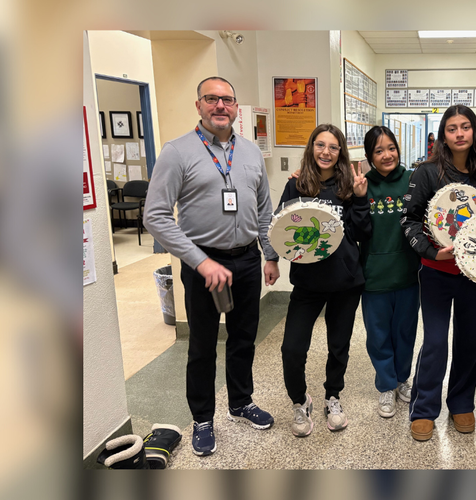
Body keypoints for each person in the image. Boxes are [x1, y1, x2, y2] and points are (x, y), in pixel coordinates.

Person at [144, 76, 280, 456]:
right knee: (203, 345)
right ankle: (203, 418)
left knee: (243, 338)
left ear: (237, 107)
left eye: (228, 100)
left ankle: (241, 402)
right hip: (203, 261)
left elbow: (264, 209)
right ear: (199, 105)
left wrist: (269, 254)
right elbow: (155, 216)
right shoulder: (178, 152)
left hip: (248, 261)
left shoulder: (251, 152)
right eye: (212, 99)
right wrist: (201, 262)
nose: (221, 106)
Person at [401, 105, 476, 441]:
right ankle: (424, 407)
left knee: (471, 340)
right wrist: (431, 250)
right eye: (452, 128)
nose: (459, 134)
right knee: (436, 341)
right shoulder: (426, 173)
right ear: (443, 135)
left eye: (465, 127)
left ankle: (462, 403)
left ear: (474, 131)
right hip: (436, 271)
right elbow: (408, 220)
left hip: (474, 275)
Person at [276, 124, 371, 437]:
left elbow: (361, 233)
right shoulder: (296, 185)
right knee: (291, 349)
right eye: (320, 145)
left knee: (338, 346)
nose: (326, 152)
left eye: (333, 147)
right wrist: (273, 257)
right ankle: (300, 401)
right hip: (307, 282)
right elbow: (281, 227)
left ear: (340, 151)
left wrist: (359, 199)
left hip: (345, 282)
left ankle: (333, 396)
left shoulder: (348, 185)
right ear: (311, 148)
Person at [359, 126, 420, 419]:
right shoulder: (362, 185)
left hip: (409, 273)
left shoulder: (412, 180)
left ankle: (401, 379)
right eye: (379, 150)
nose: (387, 155)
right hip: (374, 276)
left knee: (405, 332)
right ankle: (385, 384)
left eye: (391, 148)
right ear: (370, 156)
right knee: (379, 335)